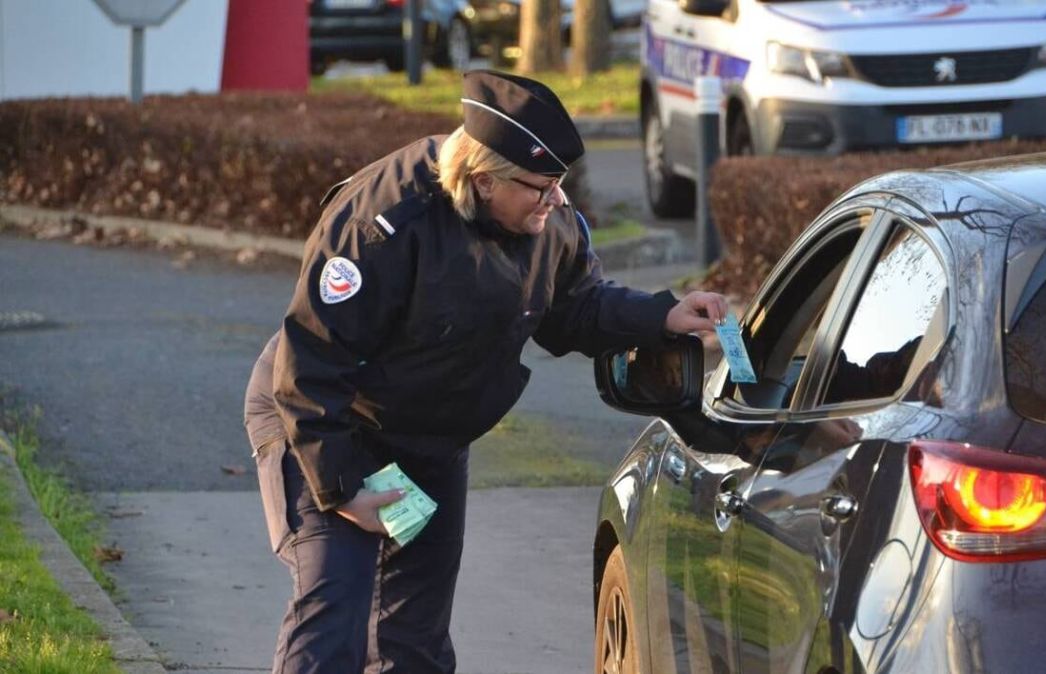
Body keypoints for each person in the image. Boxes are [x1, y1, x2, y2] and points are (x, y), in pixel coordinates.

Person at [242, 69, 728, 674]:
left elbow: (573, 306)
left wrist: (663, 315)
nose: (556, 201)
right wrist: (342, 489)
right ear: (481, 180)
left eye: (560, 185)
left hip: (427, 440)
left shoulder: (546, 220)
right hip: (325, 420)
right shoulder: (383, 224)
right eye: (541, 187)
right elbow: (311, 361)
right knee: (334, 620)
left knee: (412, 643)